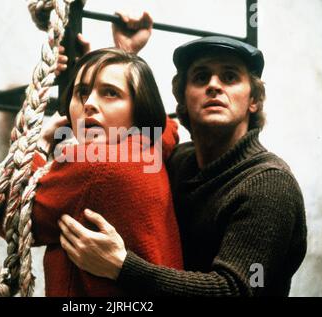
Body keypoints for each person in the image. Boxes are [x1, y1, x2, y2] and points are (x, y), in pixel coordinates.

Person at [58, 14, 307, 296]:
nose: (214, 85)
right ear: (183, 99)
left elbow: (237, 290)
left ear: (253, 100)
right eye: (201, 77)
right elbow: (130, 127)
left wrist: (122, 266)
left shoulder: (269, 185)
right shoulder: (179, 161)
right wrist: (117, 59)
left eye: (230, 77)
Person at [23, 47, 183, 296]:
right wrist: (118, 53)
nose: (89, 104)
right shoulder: (154, 143)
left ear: (140, 110)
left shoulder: (93, 165)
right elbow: (168, 124)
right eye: (82, 92)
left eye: (110, 93)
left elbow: (11, 219)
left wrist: (41, 144)